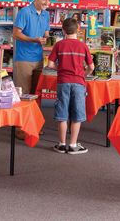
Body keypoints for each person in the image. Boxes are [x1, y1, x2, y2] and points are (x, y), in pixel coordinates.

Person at [47, 18, 94, 154]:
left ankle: (61, 144)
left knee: (62, 113)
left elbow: (50, 64)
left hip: (63, 81)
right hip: (78, 82)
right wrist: (83, 74)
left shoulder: (59, 45)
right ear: (78, 29)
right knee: (77, 113)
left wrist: (59, 69)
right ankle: (73, 145)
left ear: (63, 30)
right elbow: (91, 67)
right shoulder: (83, 46)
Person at [13, 0, 52, 140]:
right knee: (23, 94)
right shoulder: (24, 12)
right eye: (44, 0)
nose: (46, 3)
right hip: (23, 59)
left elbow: (46, 33)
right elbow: (16, 34)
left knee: (36, 95)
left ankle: (34, 125)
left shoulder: (46, 15)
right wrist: (33, 39)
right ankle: (20, 129)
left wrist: (49, 39)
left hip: (39, 58)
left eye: (49, 0)